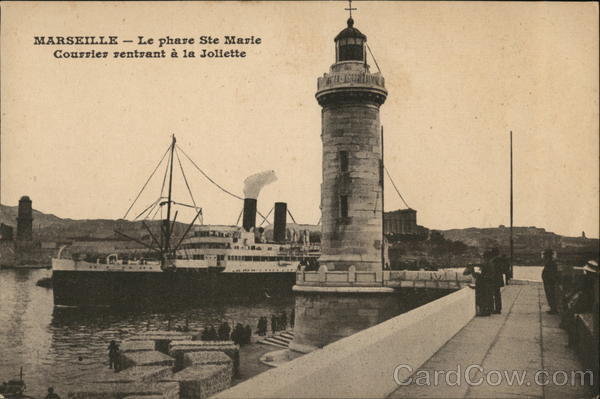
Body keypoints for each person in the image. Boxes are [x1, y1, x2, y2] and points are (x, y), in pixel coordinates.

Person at [541, 249, 558, 314]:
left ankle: (553, 309)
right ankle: (552, 308)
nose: (544, 257)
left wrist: (551, 279)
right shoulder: (549, 262)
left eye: (545, 255)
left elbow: (552, 274)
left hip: (550, 282)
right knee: (549, 295)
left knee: (551, 295)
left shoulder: (551, 263)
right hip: (548, 282)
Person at [489, 248, 504, 314]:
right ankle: (498, 308)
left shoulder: (494, 260)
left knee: (494, 294)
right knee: (497, 294)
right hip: (499, 279)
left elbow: (493, 271)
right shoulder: (500, 260)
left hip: (494, 279)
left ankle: (495, 309)